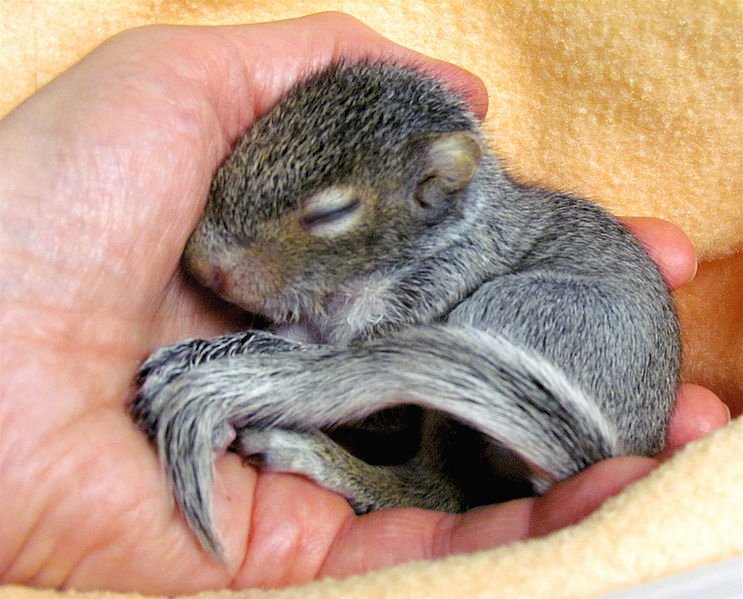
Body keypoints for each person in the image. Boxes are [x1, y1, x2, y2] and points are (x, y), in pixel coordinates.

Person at [0, 13, 729, 594]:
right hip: (525, 429)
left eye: (323, 218)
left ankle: (415, 486)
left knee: (471, 330)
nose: (213, 265)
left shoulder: (454, 260)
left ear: (431, 193)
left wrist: (284, 379)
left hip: (563, 401)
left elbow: (370, 386)